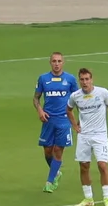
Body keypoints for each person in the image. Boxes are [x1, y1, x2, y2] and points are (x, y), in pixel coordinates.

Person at [66, 68, 108, 206]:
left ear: (92, 80)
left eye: (87, 79)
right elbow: (68, 110)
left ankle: (106, 198)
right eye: (82, 79)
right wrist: (74, 125)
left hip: (100, 135)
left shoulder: (102, 92)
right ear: (79, 81)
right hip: (84, 136)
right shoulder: (75, 96)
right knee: (84, 166)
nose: (85, 82)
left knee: (102, 165)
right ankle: (88, 198)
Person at [33, 52, 80, 193]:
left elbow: (78, 99)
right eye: (54, 61)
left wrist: (79, 119)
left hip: (64, 121)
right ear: (50, 63)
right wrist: (40, 110)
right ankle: (57, 172)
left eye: (59, 61)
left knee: (58, 151)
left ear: (63, 62)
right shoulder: (43, 79)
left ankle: (49, 182)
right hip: (48, 120)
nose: (57, 63)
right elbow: (36, 98)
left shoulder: (70, 79)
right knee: (47, 151)